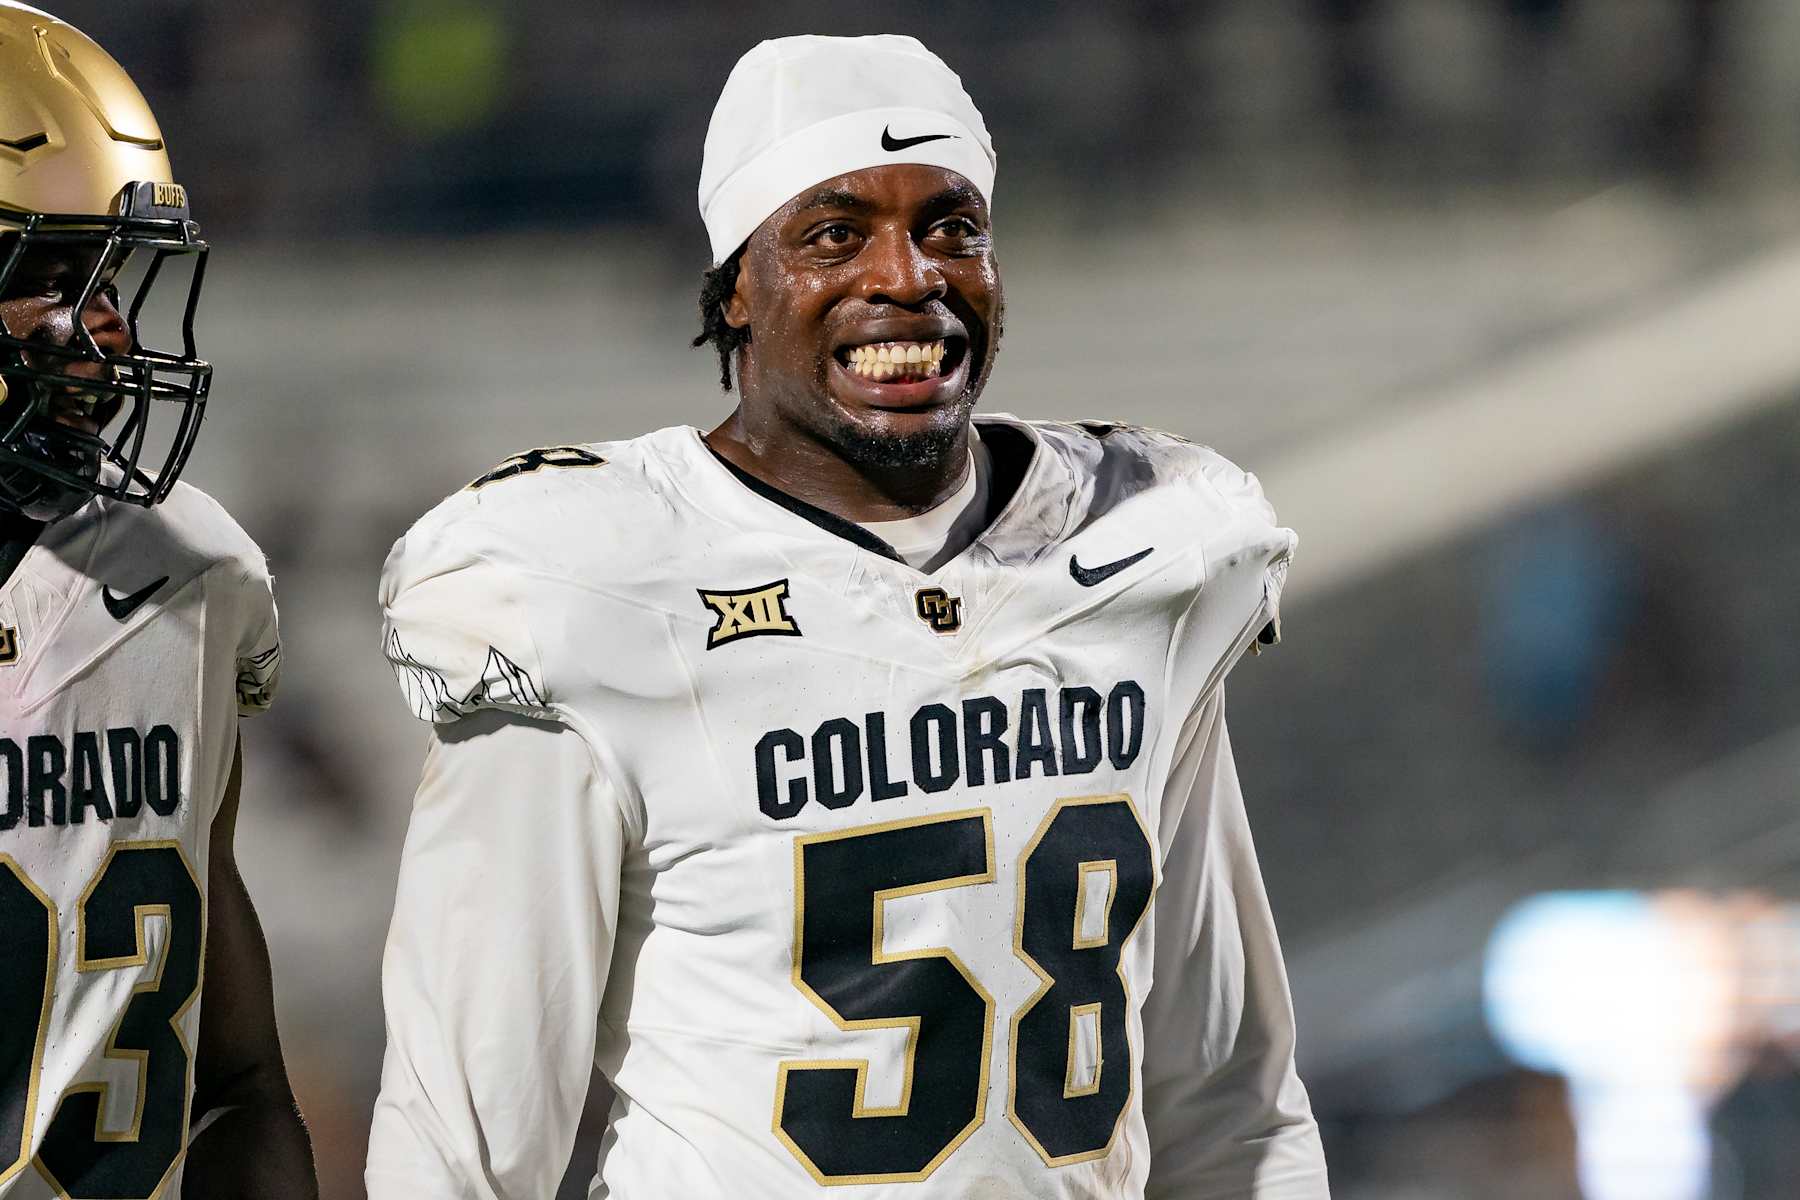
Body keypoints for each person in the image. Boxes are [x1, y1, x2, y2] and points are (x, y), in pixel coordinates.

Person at [367, 33, 1328, 1199]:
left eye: (951, 227)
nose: (908, 276)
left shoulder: (1139, 558)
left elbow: (1231, 1101)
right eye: (833, 234)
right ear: (733, 286)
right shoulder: (587, 587)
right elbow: (460, 1145)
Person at [0, 5, 317, 1197]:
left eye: (106, 275)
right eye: (42, 276)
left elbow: (237, 1081)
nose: (105, 329)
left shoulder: (194, 572)